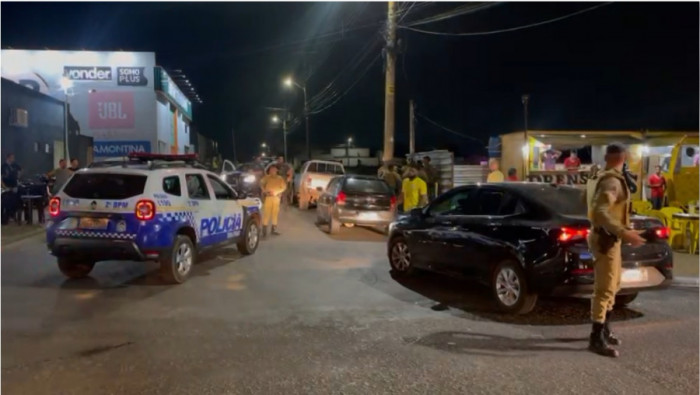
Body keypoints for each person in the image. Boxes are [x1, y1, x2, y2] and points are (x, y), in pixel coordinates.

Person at [587, 143, 646, 358]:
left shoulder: (602, 176)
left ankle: (604, 328)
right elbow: (601, 212)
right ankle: (596, 337)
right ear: (625, 156)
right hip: (606, 239)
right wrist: (623, 232)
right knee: (605, 289)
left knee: (613, 285)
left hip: (608, 238)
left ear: (607, 156)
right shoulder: (611, 180)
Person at [260, 164, 286, 237]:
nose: (272, 171)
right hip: (268, 197)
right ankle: (264, 230)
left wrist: (277, 192)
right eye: (271, 170)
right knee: (267, 213)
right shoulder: (267, 178)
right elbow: (261, 183)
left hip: (276, 198)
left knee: (275, 213)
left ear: (276, 170)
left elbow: (283, 187)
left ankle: (273, 229)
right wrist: (264, 190)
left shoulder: (280, 178)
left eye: (274, 170)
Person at [1, 153, 22, 224]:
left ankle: (12, 215)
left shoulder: (14, 165)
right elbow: (1, 179)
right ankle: (5, 218)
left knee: (16, 200)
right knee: (7, 202)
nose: (13, 159)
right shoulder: (3, 167)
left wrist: (18, 177)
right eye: (12, 158)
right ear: (8, 158)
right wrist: (5, 187)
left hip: (14, 186)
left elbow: (20, 170)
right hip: (6, 187)